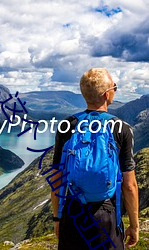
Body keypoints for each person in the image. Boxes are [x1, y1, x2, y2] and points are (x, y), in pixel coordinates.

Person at [51, 68, 139, 250]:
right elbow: (129, 185)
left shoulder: (67, 125)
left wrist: (57, 218)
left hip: (73, 212)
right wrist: (134, 225)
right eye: (115, 87)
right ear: (107, 94)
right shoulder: (121, 129)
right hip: (105, 215)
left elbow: (57, 179)